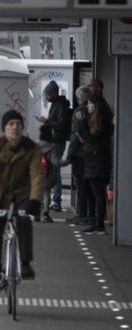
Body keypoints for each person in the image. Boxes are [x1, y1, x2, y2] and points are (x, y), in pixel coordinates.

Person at [0, 110, 46, 297]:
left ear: (22, 128)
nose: (15, 127)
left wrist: (35, 199)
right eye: (10, 124)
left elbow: (37, 174)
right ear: (4, 129)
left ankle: (25, 263)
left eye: (18, 124)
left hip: (22, 197)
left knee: (24, 221)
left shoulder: (32, 148)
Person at [64, 95, 114, 234]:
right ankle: (96, 222)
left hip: (97, 161)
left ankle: (99, 225)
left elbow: (90, 137)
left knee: (97, 193)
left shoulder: (101, 122)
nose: (88, 106)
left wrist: (81, 123)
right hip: (95, 159)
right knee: (96, 193)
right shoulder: (101, 121)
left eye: (90, 104)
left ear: (96, 106)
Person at [35, 81, 71, 212]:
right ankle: (53, 200)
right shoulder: (57, 104)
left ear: (53, 94)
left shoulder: (60, 106)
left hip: (56, 140)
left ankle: (56, 200)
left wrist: (47, 122)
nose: (45, 97)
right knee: (53, 170)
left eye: (47, 95)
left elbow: (60, 125)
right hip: (55, 140)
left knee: (55, 170)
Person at [63, 86, 93, 225]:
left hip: (80, 154)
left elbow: (76, 134)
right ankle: (90, 215)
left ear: (78, 97)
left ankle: (82, 215)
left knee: (81, 185)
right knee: (89, 186)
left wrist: (69, 154)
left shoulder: (79, 112)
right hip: (91, 153)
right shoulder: (92, 110)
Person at [38, 125, 61, 224]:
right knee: (46, 194)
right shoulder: (52, 148)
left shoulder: (35, 146)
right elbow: (55, 162)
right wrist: (68, 161)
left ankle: (36, 214)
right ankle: (46, 215)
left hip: (36, 174)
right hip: (47, 174)